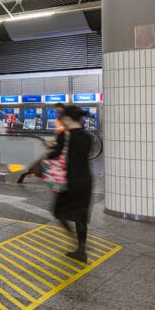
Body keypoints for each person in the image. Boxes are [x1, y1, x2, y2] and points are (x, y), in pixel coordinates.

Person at [50, 105, 93, 263]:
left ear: (68, 118)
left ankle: (72, 236)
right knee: (81, 216)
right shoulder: (88, 136)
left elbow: (56, 156)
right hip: (86, 179)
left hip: (69, 180)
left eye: (63, 119)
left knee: (57, 212)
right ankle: (81, 250)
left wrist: (49, 150)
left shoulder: (65, 136)